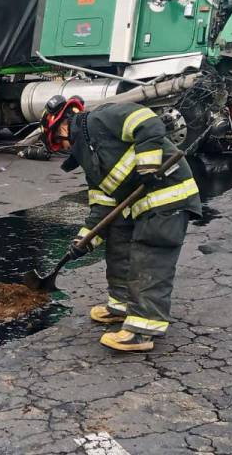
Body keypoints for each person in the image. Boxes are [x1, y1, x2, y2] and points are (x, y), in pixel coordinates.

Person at [40, 95, 201, 353]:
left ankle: (142, 329)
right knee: (118, 243)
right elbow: (103, 209)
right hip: (138, 206)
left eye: (60, 143)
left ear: (61, 127)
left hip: (168, 196)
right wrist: (83, 242)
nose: (64, 149)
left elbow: (147, 121)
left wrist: (148, 166)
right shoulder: (91, 163)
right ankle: (122, 305)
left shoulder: (99, 120)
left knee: (149, 255)